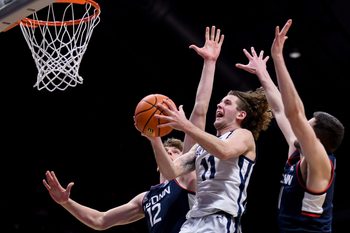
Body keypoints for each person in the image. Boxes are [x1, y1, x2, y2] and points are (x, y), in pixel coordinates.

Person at [43, 25, 224, 233]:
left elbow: (199, 112)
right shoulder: (146, 199)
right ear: (158, 164)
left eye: (176, 152)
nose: (173, 155)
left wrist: (209, 63)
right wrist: (66, 203)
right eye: (169, 152)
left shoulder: (186, 177)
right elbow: (101, 220)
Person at [235, 19, 345, 232]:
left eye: (307, 127)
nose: (299, 130)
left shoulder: (321, 163)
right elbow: (280, 111)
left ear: (317, 140)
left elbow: (295, 115)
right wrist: (262, 73)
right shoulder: (298, 151)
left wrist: (278, 58)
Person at [147, 62, 273, 231]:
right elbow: (170, 172)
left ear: (241, 114)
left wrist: (185, 125)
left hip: (221, 220)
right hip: (193, 220)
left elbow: (225, 151)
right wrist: (154, 137)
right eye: (220, 102)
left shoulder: (243, 135)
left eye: (227, 103)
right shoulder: (200, 147)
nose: (219, 105)